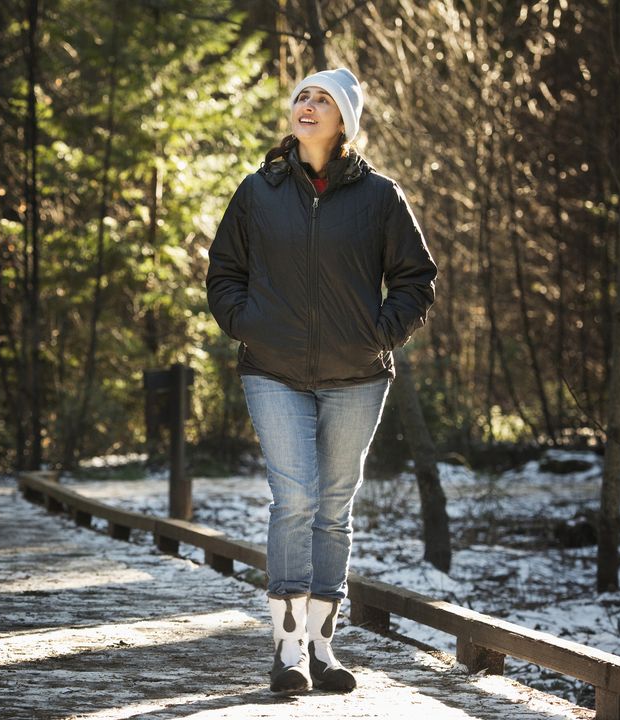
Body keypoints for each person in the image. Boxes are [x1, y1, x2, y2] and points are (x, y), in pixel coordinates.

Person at [205, 67, 437, 694]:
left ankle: (323, 647)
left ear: (344, 122)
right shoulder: (258, 191)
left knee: (333, 509)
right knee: (297, 499)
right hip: (273, 371)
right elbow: (224, 271)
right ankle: (287, 652)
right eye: (302, 96)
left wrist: (379, 333)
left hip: (357, 375)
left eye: (323, 100)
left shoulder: (380, 197)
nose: (307, 106)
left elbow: (417, 278)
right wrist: (248, 325)